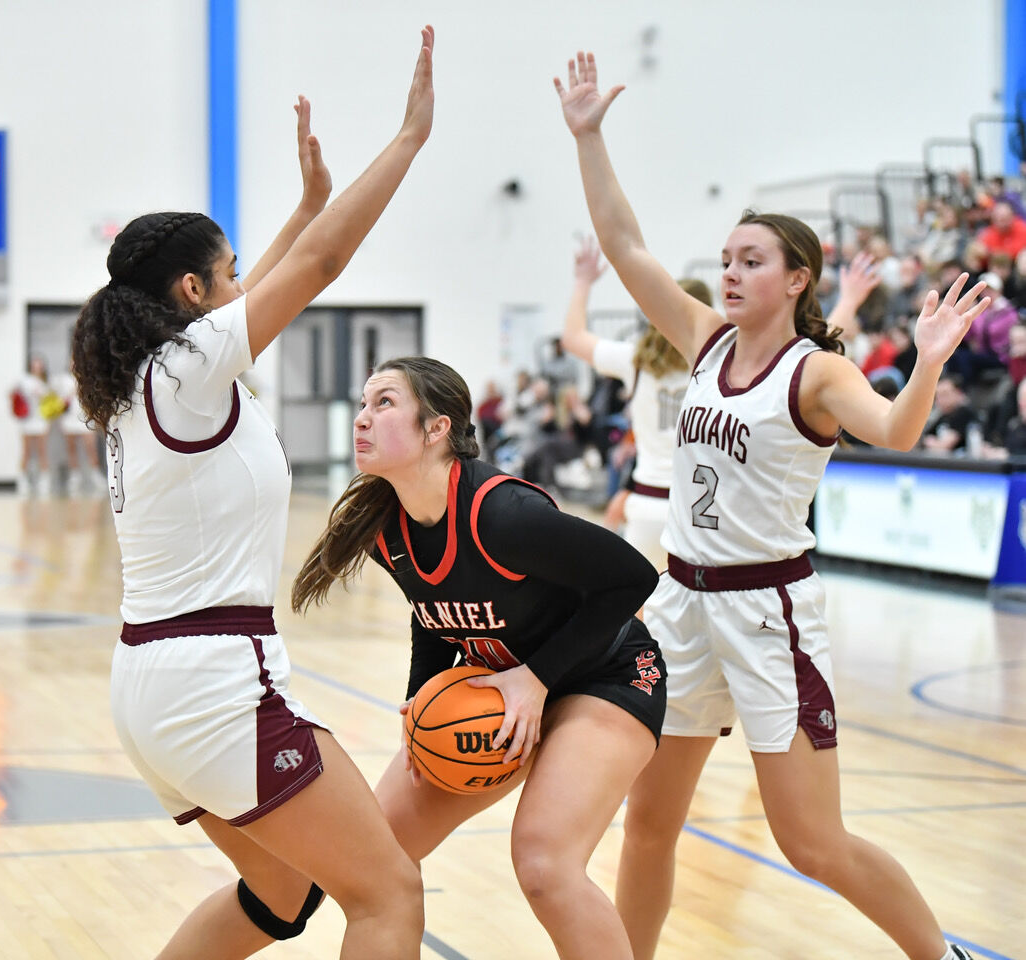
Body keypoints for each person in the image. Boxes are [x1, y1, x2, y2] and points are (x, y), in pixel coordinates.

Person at [554, 50, 985, 960]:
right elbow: (627, 248)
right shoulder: (705, 342)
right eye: (726, 261)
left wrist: (930, 361)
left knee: (811, 844)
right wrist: (590, 139)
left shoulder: (817, 371)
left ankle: (940, 955)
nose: (733, 273)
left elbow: (896, 431)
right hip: (679, 604)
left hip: (766, 612)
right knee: (647, 824)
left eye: (752, 261)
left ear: (796, 279)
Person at [70, 28, 437, 959]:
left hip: (149, 684)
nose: (244, 290)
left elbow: (270, 279)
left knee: (278, 893)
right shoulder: (188, 370)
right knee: (389, 890)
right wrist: (407, 141)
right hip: (211, 679)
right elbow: (314, 270)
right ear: (191, 290)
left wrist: (310, 199)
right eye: (226, 276)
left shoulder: (147, 383)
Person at [291, 356, 668, 959]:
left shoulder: (504, 516)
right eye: (363, 404)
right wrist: (422, 697)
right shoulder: (388, 528)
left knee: (544, 863)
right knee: (375, 862)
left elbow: (630, 581)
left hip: (606, 675)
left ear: (436, 428)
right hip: (502, 689)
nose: (362, 418)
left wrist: (538, 679)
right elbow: (435, 614)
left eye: (384, 403)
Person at [559, 235, 705, 569]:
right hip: (703, 509)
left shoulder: (635, 361)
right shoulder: (722, 362)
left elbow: (572, 338)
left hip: (649, 503)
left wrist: (583, 282)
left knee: (638, 614)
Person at [52, 361, 103, 495]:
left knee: (90, 447)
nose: (73, 365)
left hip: (85, 418)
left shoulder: (88, 378)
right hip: (69, 419)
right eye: (71, 362)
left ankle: (96, 476)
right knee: (71, 448)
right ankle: (75, 477)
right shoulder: (63, 380)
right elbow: (56, 399)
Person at [10, 354, 57, 497]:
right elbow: (12, 395)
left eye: (39, 364)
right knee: (26, 451)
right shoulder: (24, 381)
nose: (37, 366)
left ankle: (44, 481)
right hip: (27, 421)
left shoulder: (46, 383)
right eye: (34, 363)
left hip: (41, 420)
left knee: (42, 451)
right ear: (30, 365)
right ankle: (23, 481)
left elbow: (51, 403)